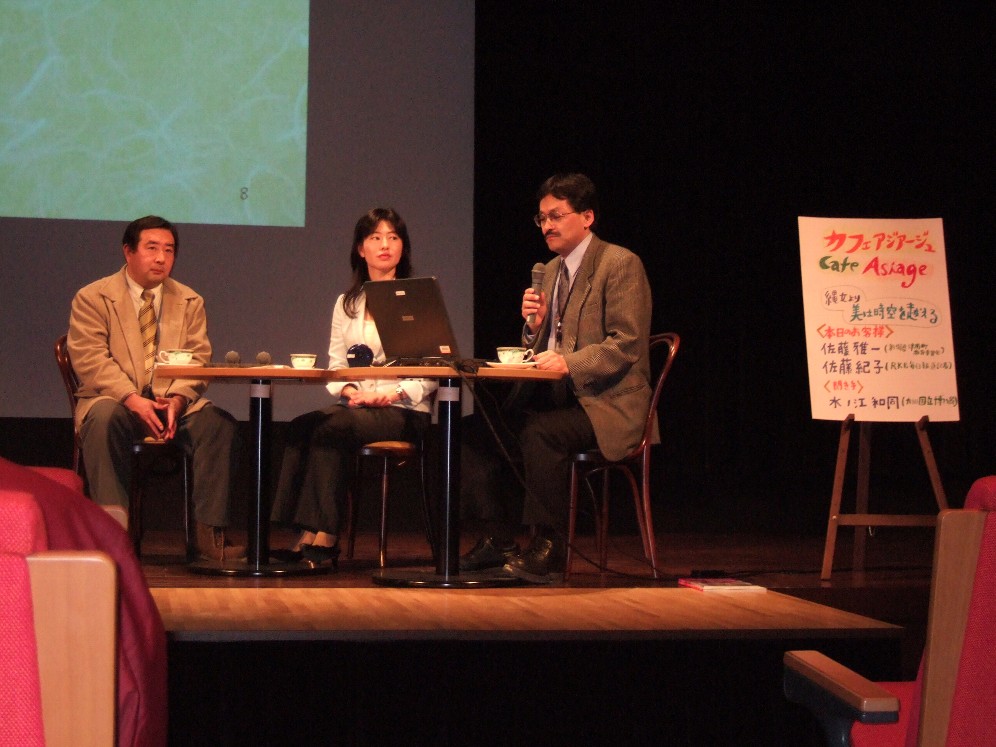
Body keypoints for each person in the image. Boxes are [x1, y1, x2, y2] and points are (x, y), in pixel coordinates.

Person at [460, 173, 654, 583]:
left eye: (556, 215)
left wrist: (569, 364)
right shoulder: (549, 271)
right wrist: (533, 327)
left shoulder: (619, 263)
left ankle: (549, 545)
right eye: (541, 218)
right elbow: (544, 346)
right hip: (557, 397)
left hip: (608, 403)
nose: (547, 225)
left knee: (540, 434)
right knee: (476, 431)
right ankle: (498, 539)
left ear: (587, 217)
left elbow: (627, 344)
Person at [67, 215, 244, 562]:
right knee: (104, 420)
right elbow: (90, 359)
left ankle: (209, 537)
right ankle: (112, 535)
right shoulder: (93, 297)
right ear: (128, 251)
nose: (161, 258)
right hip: (116, 401)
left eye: (169, 250)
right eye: (152, 248)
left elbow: (198, 359)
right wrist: (132, 399)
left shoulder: (189, 300)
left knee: (218, 425)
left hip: (170, 404)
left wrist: (177, 400)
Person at [271, 208, 436, 568]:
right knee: (301, 425)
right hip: (359, 407)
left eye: (393, 237)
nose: (385, 245)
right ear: (361, 249)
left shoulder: (416, 297)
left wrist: (389, 394)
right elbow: (336, 363)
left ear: (403, 247)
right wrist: (350, 392)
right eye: (375, 238)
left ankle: (326, 537)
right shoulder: (347, 303)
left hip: (404, 410)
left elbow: (431, 371)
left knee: (333, 427)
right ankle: (303, 531)